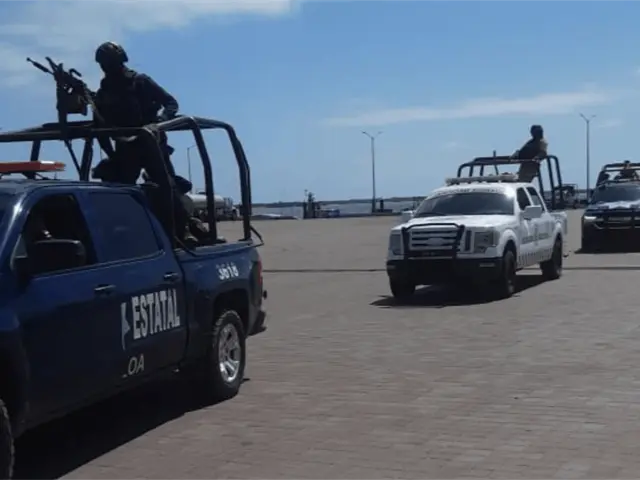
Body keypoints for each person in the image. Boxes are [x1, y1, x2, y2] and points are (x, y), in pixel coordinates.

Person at [91, 41, 193, 243]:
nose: (107, 68)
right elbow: (99, 126)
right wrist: (111, 154)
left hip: (151, 145)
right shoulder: (104, 92)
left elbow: (170, 103)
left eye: (110, 63)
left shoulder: (140, 82)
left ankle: (184, 230)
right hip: (126, 148)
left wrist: (159, 123)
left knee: (169, 189)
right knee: (119, 193)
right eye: (103, 64)